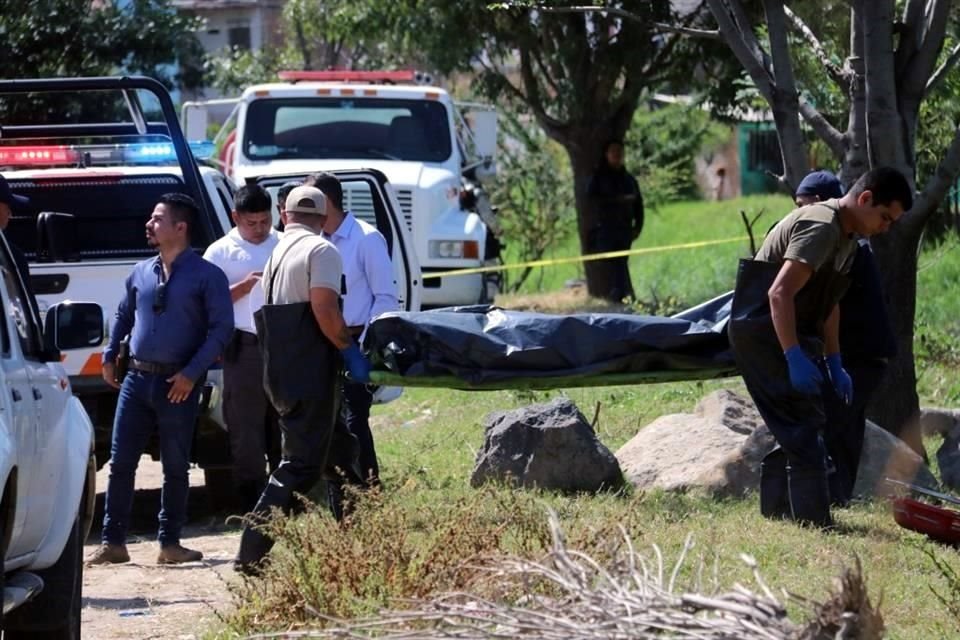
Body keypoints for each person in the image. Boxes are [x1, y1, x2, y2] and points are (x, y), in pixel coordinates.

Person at [729, 166, 912, 528]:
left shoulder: (848, 238)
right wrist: (792, 355)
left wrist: (834, 361)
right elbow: (778, 294)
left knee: (805, 422)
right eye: (884, 217)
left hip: (792, 330)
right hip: (762, 330)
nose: (885, 228)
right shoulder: (822, 225)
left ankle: (780, 513)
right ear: (865, 199)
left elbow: (829, 303)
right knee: (803, 426)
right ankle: (814, 523)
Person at [88, 193, 234, 565]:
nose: (149, 225)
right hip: (136, 381)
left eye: (157, 219)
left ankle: (170, 543)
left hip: (178, 385)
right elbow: (123, 315)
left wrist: (191, 374)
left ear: (180, 227)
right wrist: (110, 354)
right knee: (121, 463)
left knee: (175, 465)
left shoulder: (207, 276)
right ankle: (113, 542)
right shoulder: (141, 271)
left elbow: (221, 330)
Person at [234, 186, 372, 576]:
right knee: (300, 466)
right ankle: (251, 554)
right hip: (310, 373)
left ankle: (361, 539)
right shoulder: (321, 250)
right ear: (325, 218)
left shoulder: (278, 252)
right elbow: (324, 308)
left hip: (281, 371)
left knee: (341, 454)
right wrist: (349, 349)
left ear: (285, 215)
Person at [794, 170, 898, 507]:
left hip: (858, 353)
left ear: (820, 201)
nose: (800, 213)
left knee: (830, 423)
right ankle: (838, 499)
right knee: (847, 426)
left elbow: (828, 304)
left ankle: (821, 499)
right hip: (867, 353)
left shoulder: (842, 244)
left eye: (803, 205)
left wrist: (829, 359)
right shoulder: (847, 240)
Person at [307, 171, 399, 495]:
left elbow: (384, 298)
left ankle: (369, 495)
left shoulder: (366, 239)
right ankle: (341, 501)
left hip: (355, 345)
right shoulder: (315, 241)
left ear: (325, 202)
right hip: (321, 346)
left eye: (309, 200)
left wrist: (363, 350)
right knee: (329, 427)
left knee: (354, 424)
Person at [203, 185, 282, 512]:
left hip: (282, 345)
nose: (259, 229)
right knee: (245, 426)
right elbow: (205, 304)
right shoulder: (219, 252)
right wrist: (243, 286)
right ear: (235, 217)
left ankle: (288, 496)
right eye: (252, 223)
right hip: (244, 346)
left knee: (284, 421)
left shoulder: (284, 244)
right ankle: (253, 500)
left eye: (265, 221)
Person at [586, 140, 644, 302]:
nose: (617, 155)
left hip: (625, 229)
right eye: (613, 151)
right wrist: (617, 200)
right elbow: (592, 201)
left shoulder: (629, 180)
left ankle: (622, 295)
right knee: (612, 263)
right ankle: (618, 295)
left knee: (621, 261)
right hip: (605, 230)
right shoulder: (598, 179)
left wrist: (638, 227)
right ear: (606, 154)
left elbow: (638, 205)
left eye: (620, 151)